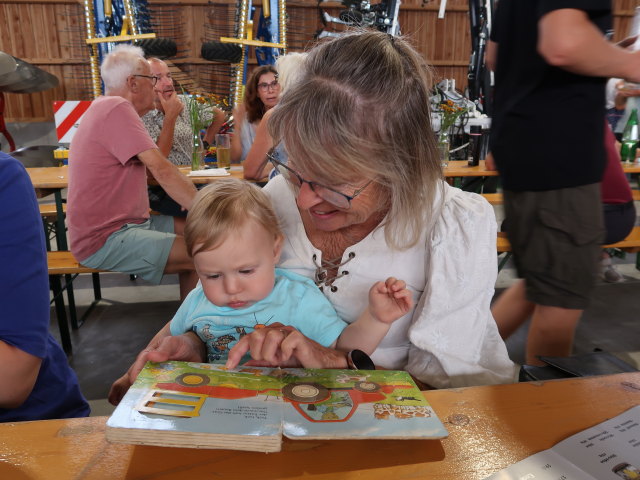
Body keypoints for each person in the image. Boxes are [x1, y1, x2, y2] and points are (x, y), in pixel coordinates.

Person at [109, 31, 518, 402]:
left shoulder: (452, 225)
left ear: (401, 166)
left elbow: (456, 397)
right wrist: (190, 346)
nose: (303, 200)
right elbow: (219, 313)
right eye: (296, 170)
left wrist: (337, 364)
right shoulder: (276, 197)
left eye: (332, 184)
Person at [486, 1, 640, 365]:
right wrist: (631, 63)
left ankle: (455, 369)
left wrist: (602, 57)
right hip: (561, 158)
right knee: (560, 303)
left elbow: (496, 56)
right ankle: (540, 409)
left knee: (540, 286)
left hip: (525, 150)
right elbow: (564, 45)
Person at [149, 178, 412, 368]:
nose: (231, 288)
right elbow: (165, 341)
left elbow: (343, 349)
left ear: (275, 250)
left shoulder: (297, 297)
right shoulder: (198, 300)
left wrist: (377, 319)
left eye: (246, 270)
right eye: (212, 276)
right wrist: (136, 374)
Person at [67, 44, 199, 300]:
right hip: (105, 238)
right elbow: (161, 169)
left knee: (199, 230)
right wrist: (204, 206)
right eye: (152, 78)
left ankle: (192, 323)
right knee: (204, 255)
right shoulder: (117, 108)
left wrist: (192, 205)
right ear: (133, 83)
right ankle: (189, 331)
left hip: (127, 225)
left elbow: (151, 172)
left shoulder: (103, 107)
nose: (156, 85)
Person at [492, 122, 637, 341]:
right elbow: (615, 149)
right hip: (621, 213)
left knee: (549, 294)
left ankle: (475, 355)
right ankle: (477, 355)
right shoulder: (588, 111)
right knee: (543, 286)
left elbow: (493, 162)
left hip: (587, 214)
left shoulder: (542, 112)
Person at [0, 152, 90, 422]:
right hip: (95, 237)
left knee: (196, 250)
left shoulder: (5, 176)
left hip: (25, 422)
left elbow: (11, 383)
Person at [142, 57, 228, 217]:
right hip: (161, 186)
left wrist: (205, 144)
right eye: (158, 78)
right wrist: (171, 117)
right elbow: (157, 162)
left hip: (196, 180)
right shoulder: (142, 113)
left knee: (231, 200)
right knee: (214, 213)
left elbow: (218, 114)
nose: (168, 82)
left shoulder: (183, 102)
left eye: (168, 76)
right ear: (143, 83)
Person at [242, 53, 307, 180]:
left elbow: (251, 172)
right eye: (264, 85)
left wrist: (276, 167)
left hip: (292, 190)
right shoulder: (325, 112)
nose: (271, 89)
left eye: (276, 80)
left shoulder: (277, 116)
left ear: (285, 80)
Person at [230, 65, 280, 167]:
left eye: (274, 84)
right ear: (257, 92)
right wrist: (237, 125)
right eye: (264, 85)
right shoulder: (247, 120)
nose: (270, 90)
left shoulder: (290, 118)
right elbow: (234, 158)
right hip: (252, 181)